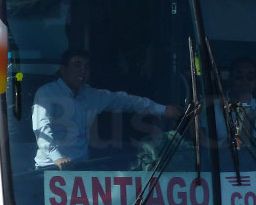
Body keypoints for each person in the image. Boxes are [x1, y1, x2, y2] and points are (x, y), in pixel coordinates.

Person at [32, 50, 182, 169]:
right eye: (77, 65)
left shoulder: (91, 95)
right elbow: (42, 128)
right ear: (63, 69)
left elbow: (126, 100)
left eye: (86, 67)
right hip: (50, 168)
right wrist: (57, 157)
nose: (83, 71)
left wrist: (163, 109)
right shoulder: (46, 93)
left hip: (80, 169)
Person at [217, 57, 256, 143]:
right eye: (239, 76)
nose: (244, 80)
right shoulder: (213, 107)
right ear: (230, 79)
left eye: (250, 77)